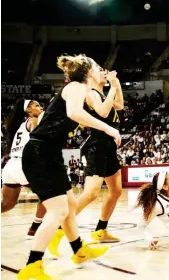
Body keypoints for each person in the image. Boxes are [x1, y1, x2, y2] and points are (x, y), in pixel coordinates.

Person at [18, 54, 121, 280]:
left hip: (50, 153)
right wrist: (108, 129)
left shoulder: (81, 94)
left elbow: (84, 114)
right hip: (39, 153)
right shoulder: (76, 87)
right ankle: (32, 266)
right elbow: (74, 114)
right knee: (59, 211)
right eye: (97, 66)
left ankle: (79, 252)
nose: (100, 69)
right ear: (89, 73)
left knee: (71, 204)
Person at [47, 68, 124, 257]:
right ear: (91, 76)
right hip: (97, 145)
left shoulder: (103, 93)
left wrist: (116, 84)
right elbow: (104, 112)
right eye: (100, 70)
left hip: (109, 146)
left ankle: (100, 230)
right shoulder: (91, 94)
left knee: (116, 190)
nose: (103, 72)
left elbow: (119, 105)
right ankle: (58, 229)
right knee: (91, 193)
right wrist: (112, 87)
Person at [1, 99, 47, 238]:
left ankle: (35, 227)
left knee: (7, 205)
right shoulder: (33, 120)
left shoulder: (21, 125)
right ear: (29, 110)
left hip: (10, 168)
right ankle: (35, 228)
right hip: (23, 165)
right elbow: (35, 140)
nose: (40, 107)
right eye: (37, 105)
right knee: (51, 196)